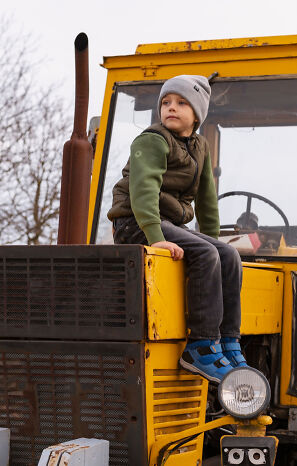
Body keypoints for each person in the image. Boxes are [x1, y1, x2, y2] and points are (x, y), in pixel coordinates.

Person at [107, 75, 248, 383]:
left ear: (197, 114)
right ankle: (200, 347)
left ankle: (228, 340)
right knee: (206, 254)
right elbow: (142, 192)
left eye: (181, 103)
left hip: (166, 221)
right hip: (135, 221)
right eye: (166, 102)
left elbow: (208, 202)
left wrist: (214, 243)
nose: (171, 108)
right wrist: (155, 239)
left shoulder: (199, 146)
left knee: (227, 255)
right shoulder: (152, 140)